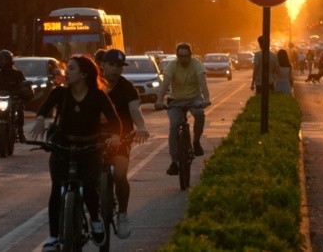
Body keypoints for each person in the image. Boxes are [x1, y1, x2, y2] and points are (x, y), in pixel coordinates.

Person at [29, 55, 122, 251]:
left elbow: (115, 123)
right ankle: (53, 237)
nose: (66, 73)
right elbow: (43, 109)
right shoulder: (59, 93)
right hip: (62, 147)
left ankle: (96, 220)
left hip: (89, 148)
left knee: (89, 186)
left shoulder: (98, 95)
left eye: (71, 69)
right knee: (56, 189)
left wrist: (114, 136)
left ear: (84, 73)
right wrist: (39, 119)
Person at [97, 49, 150, 239]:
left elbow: (135, 110)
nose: (115, 69)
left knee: (120, 174)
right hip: (94, 138)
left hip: (122, 137)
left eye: (119, 66)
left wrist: (141, 127)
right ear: (102, 65)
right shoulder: (92, 85)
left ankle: (122, 214)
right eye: (111, 65)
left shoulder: (127, 88)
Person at [153, 42, 211, 176]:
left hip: (194, 98)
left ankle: (196, 141)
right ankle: (174, 162)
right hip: (175, 100)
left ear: (191, 55)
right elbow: (165, 84)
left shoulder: (197, 64)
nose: (183, 59)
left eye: (186, 56)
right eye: (180, 56)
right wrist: (159, 101)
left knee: (200, 114)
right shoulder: (172, 65)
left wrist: (206, 99)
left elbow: (203, 82)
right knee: (174, 126)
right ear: (177, 56)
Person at [0, 49, 33, 142]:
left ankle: (20, 131)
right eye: (1, 60)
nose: (3, 62)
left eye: (5, 60)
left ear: (10, 60)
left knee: (19, 106)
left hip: (13, 98)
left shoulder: (18, 73)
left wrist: (24, 89)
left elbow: (23, 83)